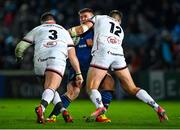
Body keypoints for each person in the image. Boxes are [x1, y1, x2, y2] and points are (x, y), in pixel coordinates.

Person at [68, 10, 168, 122]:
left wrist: (65, 33)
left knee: (91, 88)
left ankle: (100, 108)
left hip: (103, 52)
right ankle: (157, 107)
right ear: (119, 21)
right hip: (119, 55)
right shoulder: (121, 30)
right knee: (132, 88)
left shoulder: (99, 17)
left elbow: (82, 29)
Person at [47, 8, 114, 123]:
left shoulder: (99, 33)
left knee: (109, 82)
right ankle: (52, 116)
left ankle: (101, 113)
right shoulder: (75, 33)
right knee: (73, 92)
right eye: (81, 17)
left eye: (85, 16)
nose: (83, 19)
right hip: (78, 69)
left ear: (92, 18)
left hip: (95, 68)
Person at [15, 12, 83, 124]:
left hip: (39, 61)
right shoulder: (64, 31)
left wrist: (19, 58)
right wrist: (78, 73)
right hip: (57, 58)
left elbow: (20, 47)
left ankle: (63, 111)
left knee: (50, 89)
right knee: (51, 87)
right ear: (54, 22)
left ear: (42, 22)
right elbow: (72, 56)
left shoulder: (37, 29)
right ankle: (41, 107)